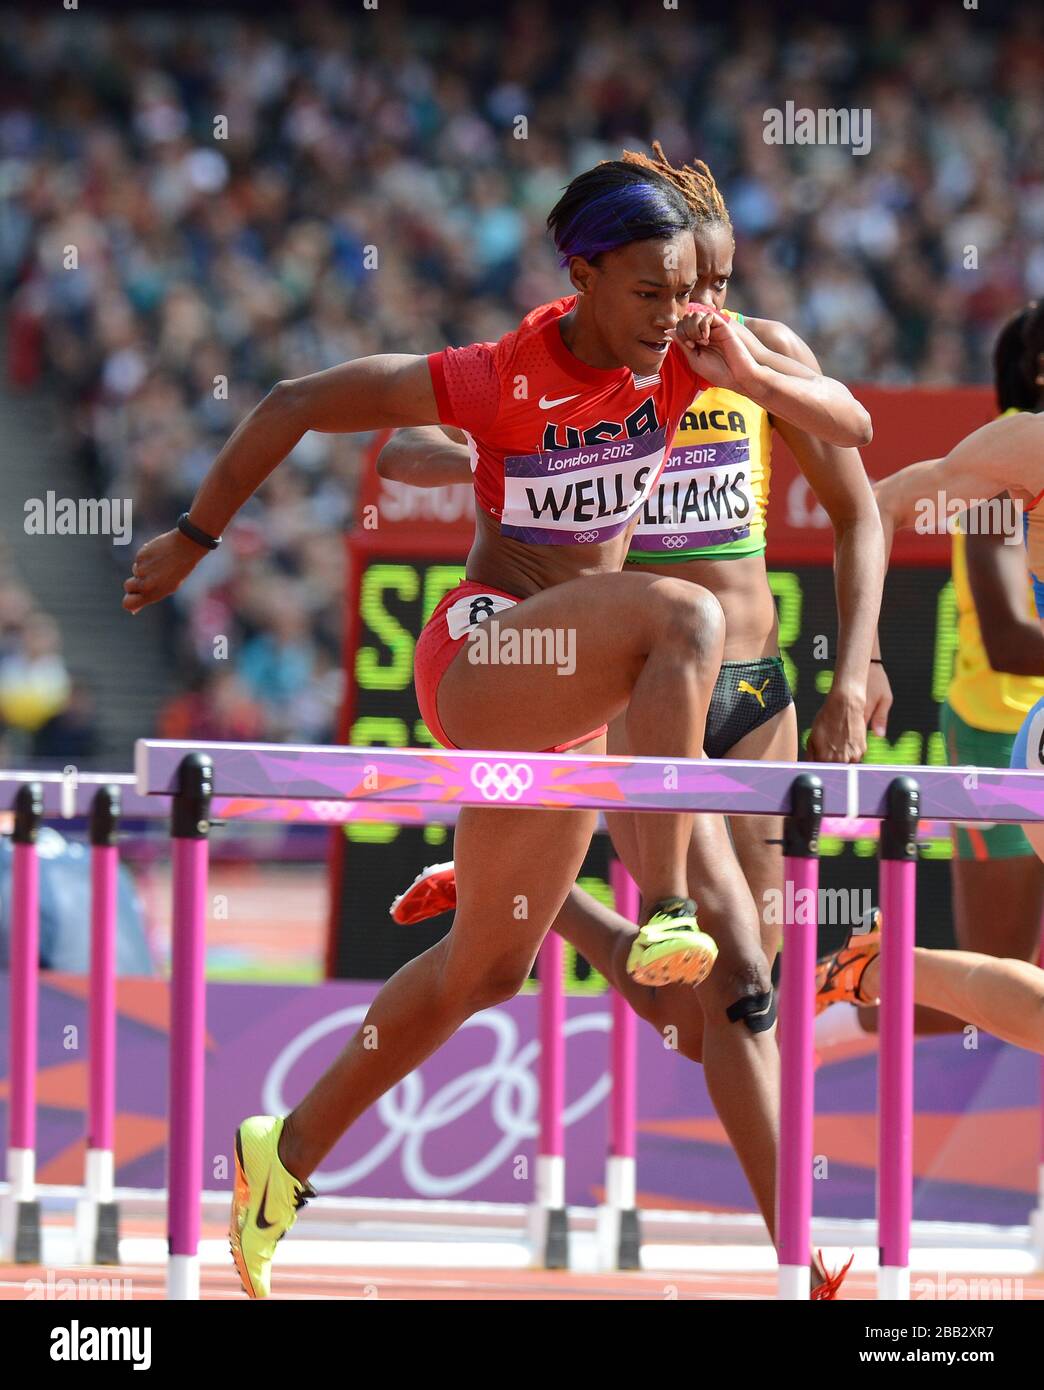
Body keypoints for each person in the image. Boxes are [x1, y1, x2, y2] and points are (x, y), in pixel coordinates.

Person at [122, 148, 870, 1298]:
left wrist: (752, 375)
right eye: (650, 294)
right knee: (678, 618)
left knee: (486, 973)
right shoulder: (497, 374)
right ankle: (661, 901)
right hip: (487, 653)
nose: (673, 318)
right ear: (582, 275)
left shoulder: (683, 358)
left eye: (686, 296)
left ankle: (284, 1156)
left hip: (575, 709)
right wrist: (194, 535)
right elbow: (299, 402)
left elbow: (853, 426)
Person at [819, 303, 1044, 1054]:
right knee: (1005, 967)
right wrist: (864, 664)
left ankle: (886, 967)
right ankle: (875, 980)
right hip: (997, 729)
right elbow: (878, 505)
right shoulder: (1016, 460)